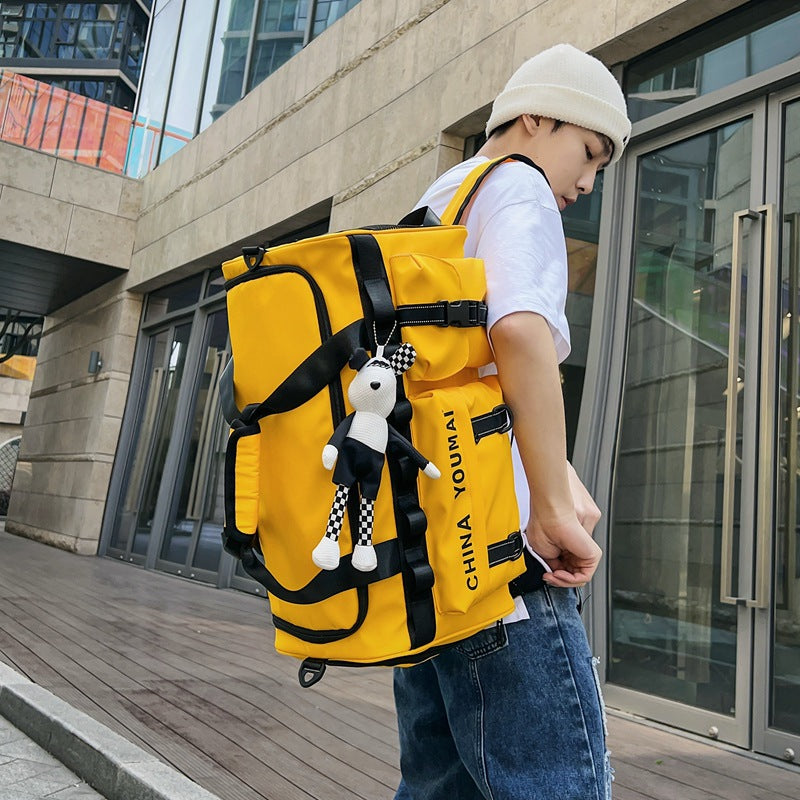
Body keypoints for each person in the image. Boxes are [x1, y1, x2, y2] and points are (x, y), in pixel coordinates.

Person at [393, 44, 632, 800]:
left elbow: (457, 372)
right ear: (534, 117)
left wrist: (558, 472)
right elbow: (520, 333)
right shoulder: (519, 188)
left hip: (430, 547)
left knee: (440, 784)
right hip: (499, 555)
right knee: (557, 782)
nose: (588, 181)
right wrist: (552, 506)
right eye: (588, 151)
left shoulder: (445, 195)